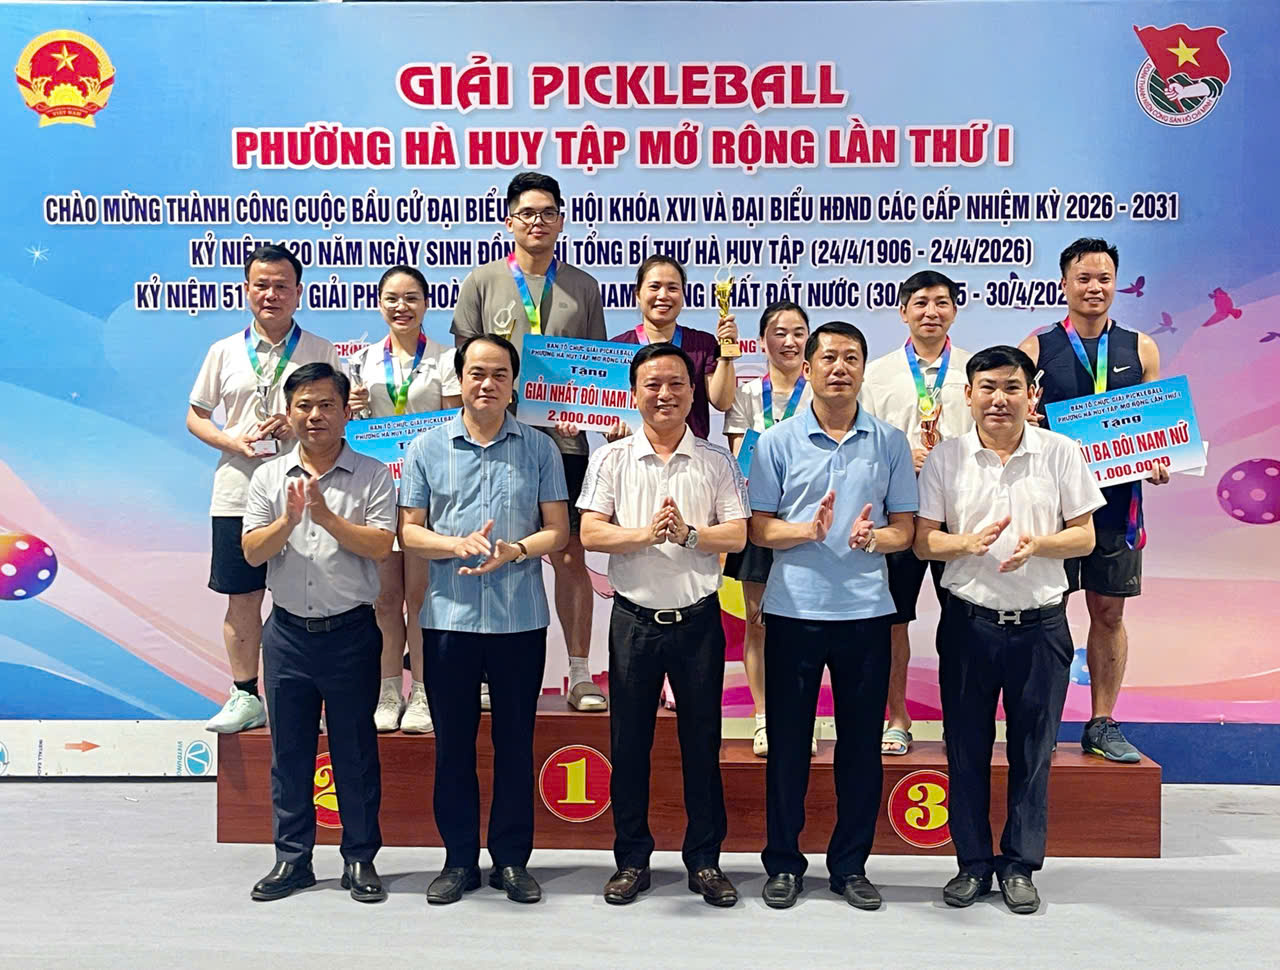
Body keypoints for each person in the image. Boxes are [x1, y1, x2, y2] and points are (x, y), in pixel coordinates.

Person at [915, 345, 1104, 914]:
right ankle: (972, 864)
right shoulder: (946, 458)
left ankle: (1020, 865)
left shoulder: (1061, 452)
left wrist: (1040, 544)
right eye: (988, 388)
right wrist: (965, 543)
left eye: (1012, 387)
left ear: (1031, 394)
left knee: (1034, 750)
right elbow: (924, 541)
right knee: (965, 749)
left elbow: (1085, 537)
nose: (1000, 399)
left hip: (1041, 628)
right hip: (968, 625)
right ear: (968, 395)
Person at [748, 322, 918, 911]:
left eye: (851, 358)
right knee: (789, 747)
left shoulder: (890, 442)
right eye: (828, 358)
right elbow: (758, 528)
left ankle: (850, 866)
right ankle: (783, 863)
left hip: (866, 614)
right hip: (793, 611)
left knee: (860, 749)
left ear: (864, 369)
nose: (839, 367)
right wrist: (807, 530)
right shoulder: (775, 442)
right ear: (808, 368)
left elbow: (906, 529)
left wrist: (876, 538)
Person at [399, 334, 569, 905]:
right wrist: (454, 545)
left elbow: (557, 531)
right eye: (477, 373)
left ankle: (512, 861)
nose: (487, 383)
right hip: (449, 619)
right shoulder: (426, 447)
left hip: (519, 620)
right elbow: (410, 532)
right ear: (460, 379)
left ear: (514, 383)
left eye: (499, 374)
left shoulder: (540, 448)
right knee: (453, 746)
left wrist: (516, 550)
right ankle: (458, 861)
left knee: (516, 745)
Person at [578, 342, 748, 907]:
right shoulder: (611, 459)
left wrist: (691, 535)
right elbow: (591, 532)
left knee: (702, 746)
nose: (664, 394)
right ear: (634, 394)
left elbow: (738, 534)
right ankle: (631, 861)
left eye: (676, 383)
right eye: (652, 384)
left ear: (693, 393)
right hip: (633, 622)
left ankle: (705, 861)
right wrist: (647, 535)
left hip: (698, 622)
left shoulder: (716, 461)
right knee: (629, 747)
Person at [451, 171, 607, 713]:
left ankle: (580, 673)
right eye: (527, 213)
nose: (537, 222)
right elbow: (467, 367)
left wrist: (581, 413)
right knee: (494, 547)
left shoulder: (583, 286)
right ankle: (487, 672)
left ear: (561, 221)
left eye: (547, 213)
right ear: (509, 221)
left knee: (568, 553)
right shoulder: (481, 282)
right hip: (495, 441)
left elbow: (596, 368)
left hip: (564, 444)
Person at [242, 362, 396, 903]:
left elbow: (381, 546)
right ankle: (292, 858)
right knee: (289, 754)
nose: (315, 416)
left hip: (351, 634)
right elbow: (252, 551)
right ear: (288, 413)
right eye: (303, 406)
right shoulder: (268, 477)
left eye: (326, 405)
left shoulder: (374, 474)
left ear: (346, 411)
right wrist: (288, 522)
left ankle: (360, 858)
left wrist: (327, 518)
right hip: (286, 636)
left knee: (355, 752)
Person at [1018, 238, 1168, 763]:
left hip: (1117, 507)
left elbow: (1156, 426)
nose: (1094, 288)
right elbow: (1015, 424)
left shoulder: (1141, 348)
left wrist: (1159, 456)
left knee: (1108, 612)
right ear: (1064, 284)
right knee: (1046, 614)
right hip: (1054, 508)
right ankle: (1038, 723)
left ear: (1116, 284)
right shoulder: (1036, 349)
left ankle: (1102, 723)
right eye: (1083, 278)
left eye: (1104, 278)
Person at [188, 244, 340, 734]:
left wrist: (298, 425)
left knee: (313, 596)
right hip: (237, 490)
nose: (271, 294)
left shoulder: (321, 350)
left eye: (281, 286)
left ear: (298, 292)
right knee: (242, 596)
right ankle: (245, 695)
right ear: (246, 290)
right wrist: (230, 440)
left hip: (305, 492)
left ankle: (316, 699)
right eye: (262, 285)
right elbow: (196, 416)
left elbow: (340, 416)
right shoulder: (224, 351)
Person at [861, 271, 974, 756]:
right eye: (921, 302)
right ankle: (897, 717)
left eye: (942, 302)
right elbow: (863, 442)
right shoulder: (876, 374)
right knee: (893, 621)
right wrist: (899, 457)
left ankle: (961, 721)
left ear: (955, 311)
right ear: (903, 310)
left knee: (964, 621)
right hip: (899, 514)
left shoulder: (973, 369)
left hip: (960, 514)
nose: (932, 311)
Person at [347, 265, 461, 734]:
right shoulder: (360, 362)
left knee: (421, 597)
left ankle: (424, 693)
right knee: (384, 598)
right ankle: (388, 689)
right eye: (392, 298)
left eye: (411, 297)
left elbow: (455, 425)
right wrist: (352, 410)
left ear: (426, 303)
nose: (402, 307)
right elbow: (352, 433)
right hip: (377, 491)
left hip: (426, 495)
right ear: (379, 304)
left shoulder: (446, 359)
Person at [722, 301, 813, 757]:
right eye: (779, 332)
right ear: (762, 342)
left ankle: (800, 719)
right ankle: (763, 718)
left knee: (807, 629)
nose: (789, 341)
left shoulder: (822, 393)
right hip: (760, 518)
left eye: (798, 332)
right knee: (758, 624)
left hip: (809, 523)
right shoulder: (745, 394)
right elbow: (742, 456)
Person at [611, 255, 738, 440]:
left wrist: (727, 351)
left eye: (672, 288)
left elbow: (723, 402)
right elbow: (606, 413)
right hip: (634, 452)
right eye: (654, 287)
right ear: (637, 294)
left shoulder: (702, 344)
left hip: (692, 452)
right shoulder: (617, 348)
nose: (663, 295)